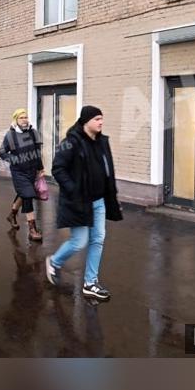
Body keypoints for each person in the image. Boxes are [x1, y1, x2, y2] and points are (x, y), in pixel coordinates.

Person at [45, 105, 122, 301]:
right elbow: (58, 169)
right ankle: (54, 262)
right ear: (86, 121)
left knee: (98, 239)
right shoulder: (70, 142)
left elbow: (107, 170)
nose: (101, 122)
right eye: (97, 119)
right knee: (79, 241)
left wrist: (111, 195)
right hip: (79, 202)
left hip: (99, 200)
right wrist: (73, 190)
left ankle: (90, 282)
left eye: (102, 118)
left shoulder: (102, 142)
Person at [0, 108, 45, 243]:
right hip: (19, 171)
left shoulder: (33, 133)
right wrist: (14, 160)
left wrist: (40, 168)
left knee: (23, 193)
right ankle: (32, 230)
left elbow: (37, 152)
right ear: (16, 120)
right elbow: (2, 152)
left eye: (26, 117)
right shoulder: (10, 135)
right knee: (28, 195)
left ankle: (12, 215)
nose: (24, 120)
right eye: (21, 118)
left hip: (31, 171)